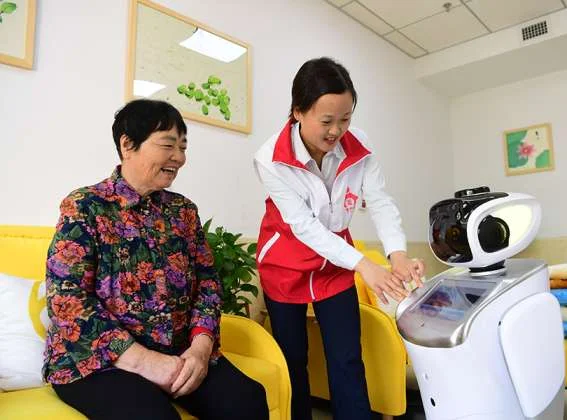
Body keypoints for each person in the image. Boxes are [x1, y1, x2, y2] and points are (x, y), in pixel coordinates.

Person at [43, 99, 268, 420]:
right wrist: (144, 361)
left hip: (178, 351)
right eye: (168, 145)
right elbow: (67, 301)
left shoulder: (183, 211)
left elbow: (207, 284)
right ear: (127, 144)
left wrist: (200, 350)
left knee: (246, 400)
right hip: (96, 361)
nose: (179, 157)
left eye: (183, 146)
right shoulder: (84, 206)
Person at [254, 57, 424, 420]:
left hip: (335, 262)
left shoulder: (358, 145)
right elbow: (304, 226)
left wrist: (396, 255)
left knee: (347, 356)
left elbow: (378, 199)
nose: (336, 131)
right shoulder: (270, 159)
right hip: (285, 263)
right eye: (327, 121)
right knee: (293, 359)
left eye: (345, 119)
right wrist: (364, 264)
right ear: (298, 112)